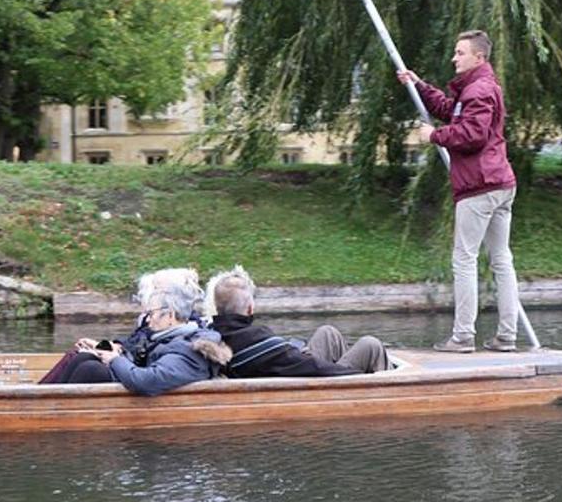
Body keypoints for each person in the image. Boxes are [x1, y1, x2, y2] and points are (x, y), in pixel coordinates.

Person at [396, 29, 522, 353]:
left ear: (479, 57)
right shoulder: (480, 87)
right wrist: (419, 86)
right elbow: (452, 109)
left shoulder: (478, 90)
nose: (454, 57)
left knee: (464, 260)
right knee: (501, 260)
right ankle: (507, 336)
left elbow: (472, 134)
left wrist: (432, 137)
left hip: (480, 187)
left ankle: (463, 337)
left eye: (460, 52)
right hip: (499, 184)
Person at [208, 266, 389, 376]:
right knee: (370, 345)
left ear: (216, 308)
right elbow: (313, 367)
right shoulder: (257, 339)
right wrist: (356, 374)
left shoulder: (213, 334)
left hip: (286, 369)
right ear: (250, 309)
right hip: (309, 379)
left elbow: (288, 357)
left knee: (328, 333)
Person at [43, 267, 205, 385]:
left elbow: (150, 378)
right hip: (137, 381)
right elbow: (138, 354)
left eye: (152, 314)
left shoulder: (187, 347)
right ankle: (42, 406)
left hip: (147, 395)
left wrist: (115, 359)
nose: (148, 320)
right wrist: (107, 350)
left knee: (91, 369)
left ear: (169, 316)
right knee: (84, 356)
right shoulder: (160, 333)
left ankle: (50, 416)